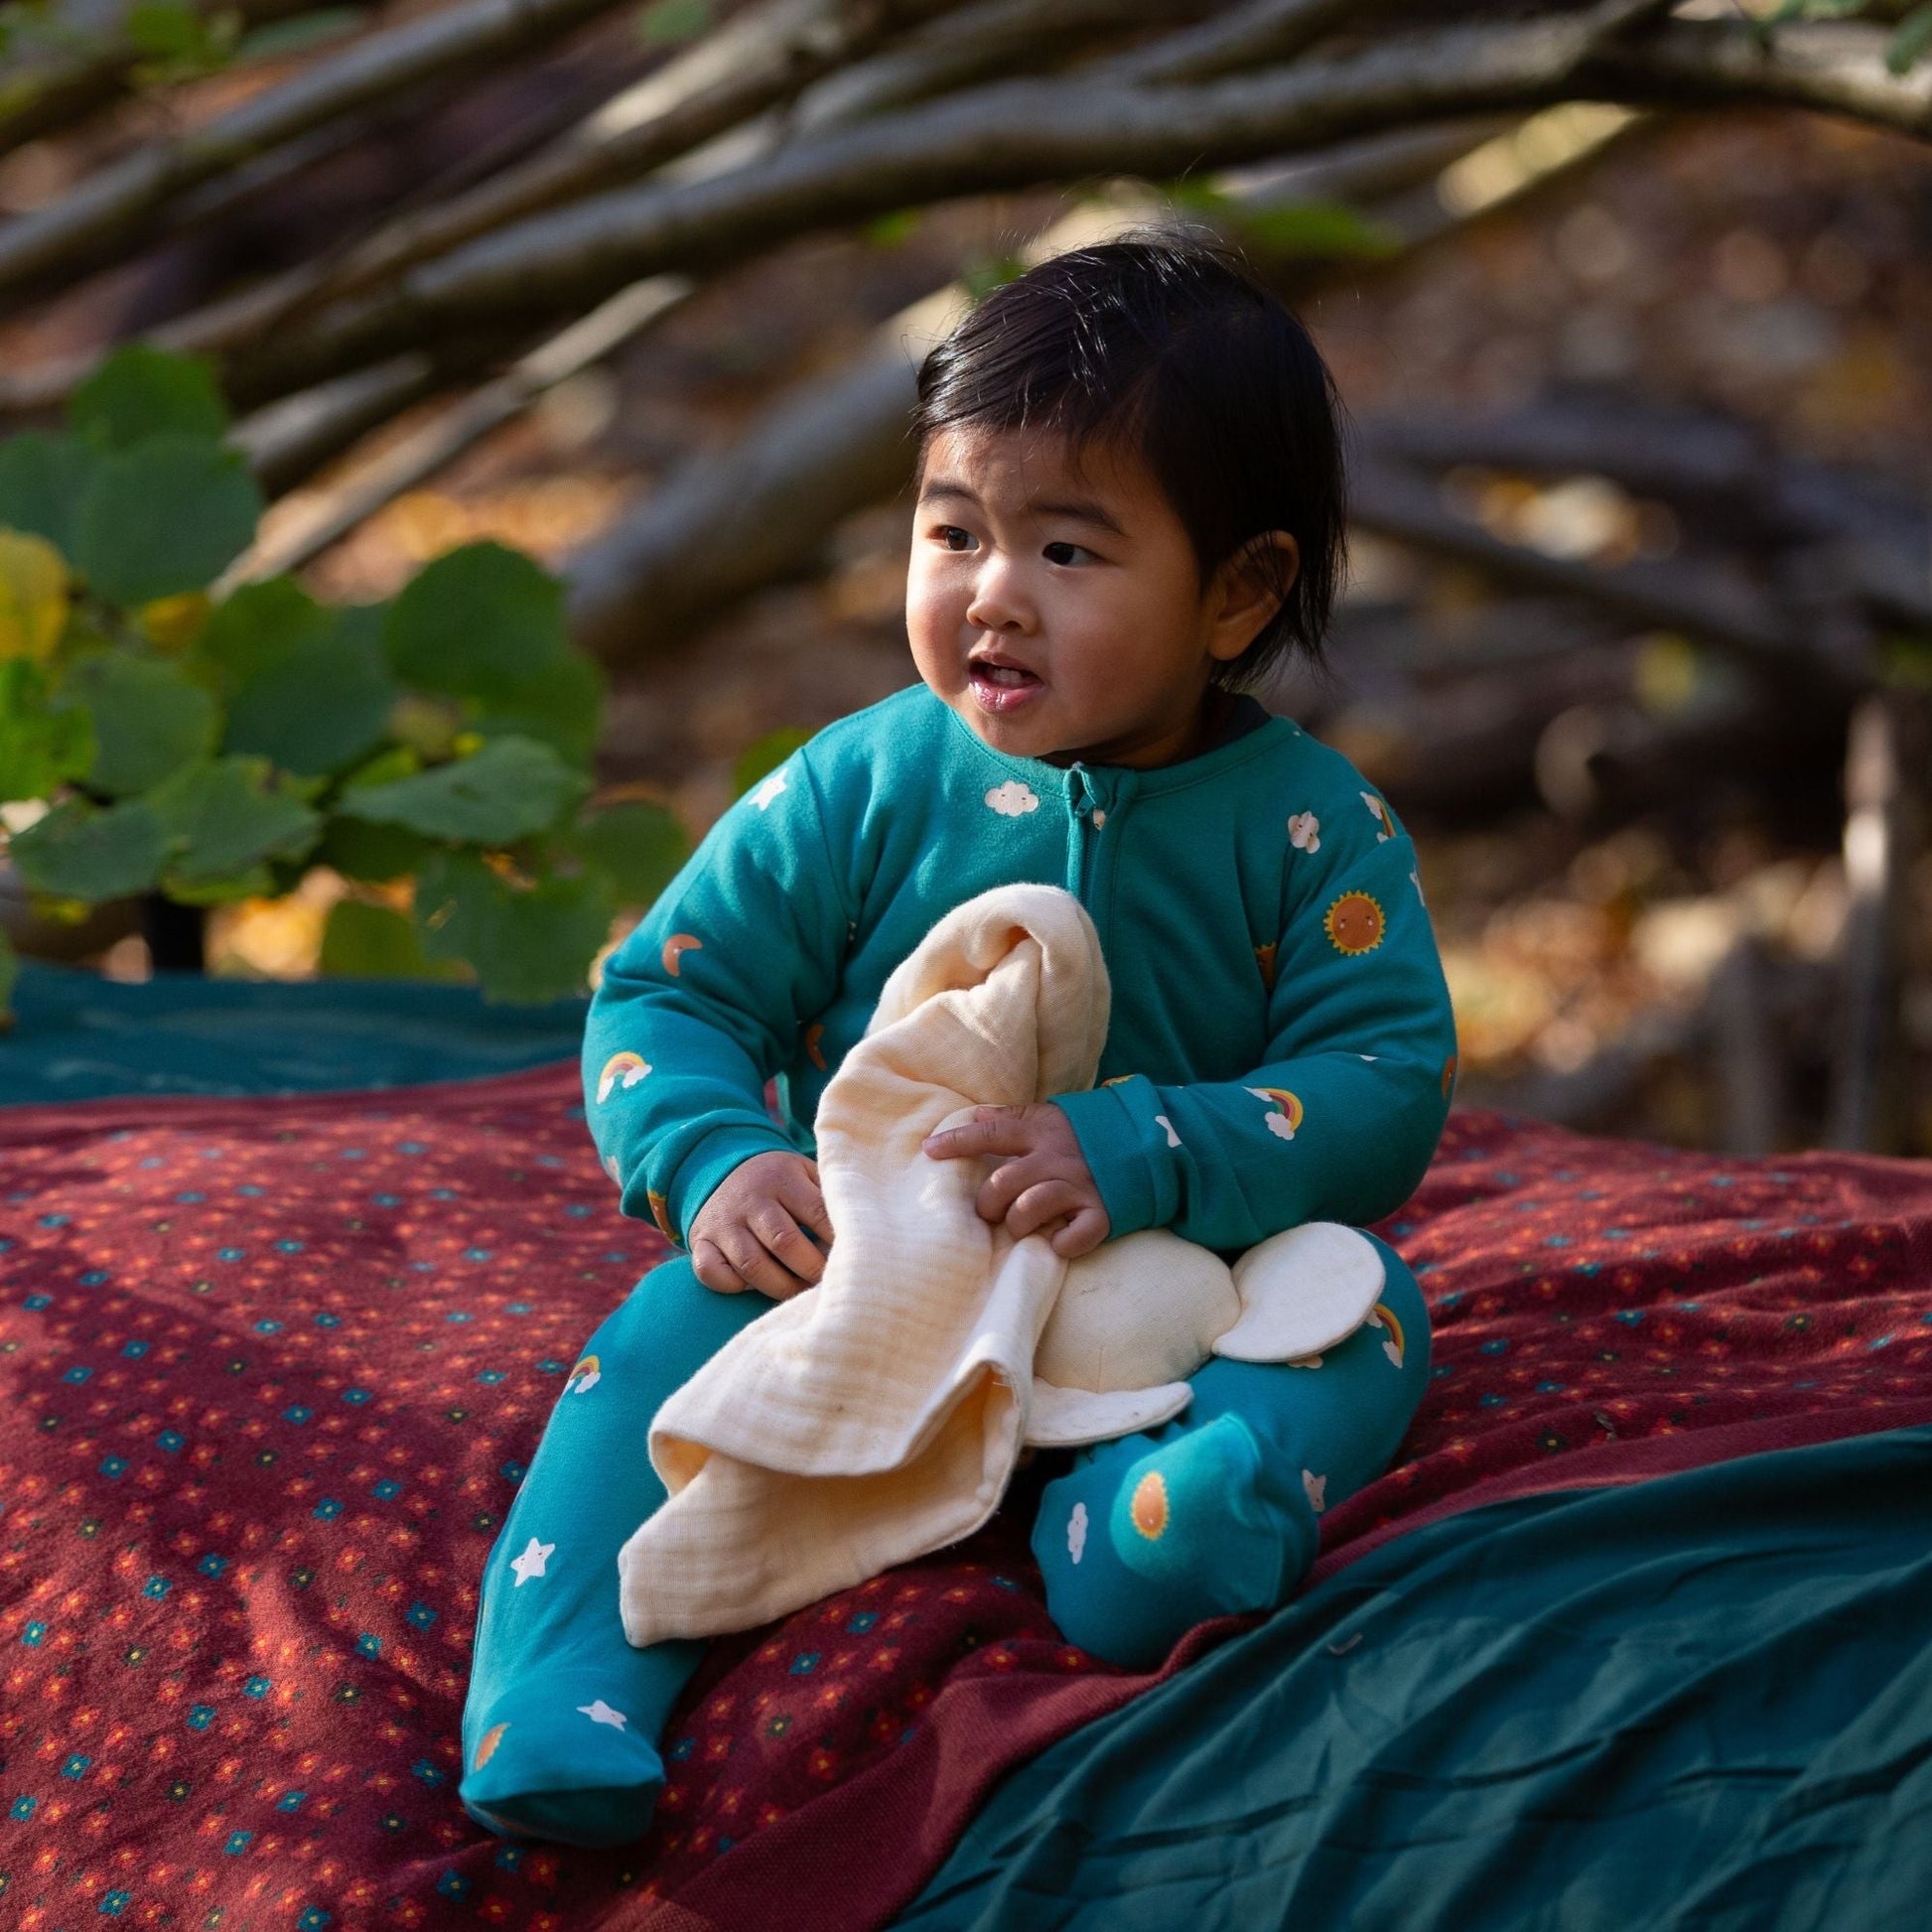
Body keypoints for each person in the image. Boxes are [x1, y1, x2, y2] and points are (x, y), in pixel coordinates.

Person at [459, 227, 1458, 1848]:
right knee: (658, 1338)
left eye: (1066, 549)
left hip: (1171, 1293)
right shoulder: (862, 782)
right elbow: (667, 991)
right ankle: (560, 1668)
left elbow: (1384, 1078)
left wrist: (1153, 1146)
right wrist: (715, 1159)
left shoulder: (1307, 828)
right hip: (874, 1267)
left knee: (1362, 1311)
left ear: (1235, 592)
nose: (991, 592)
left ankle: (1151, 1526)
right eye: (952, 530)